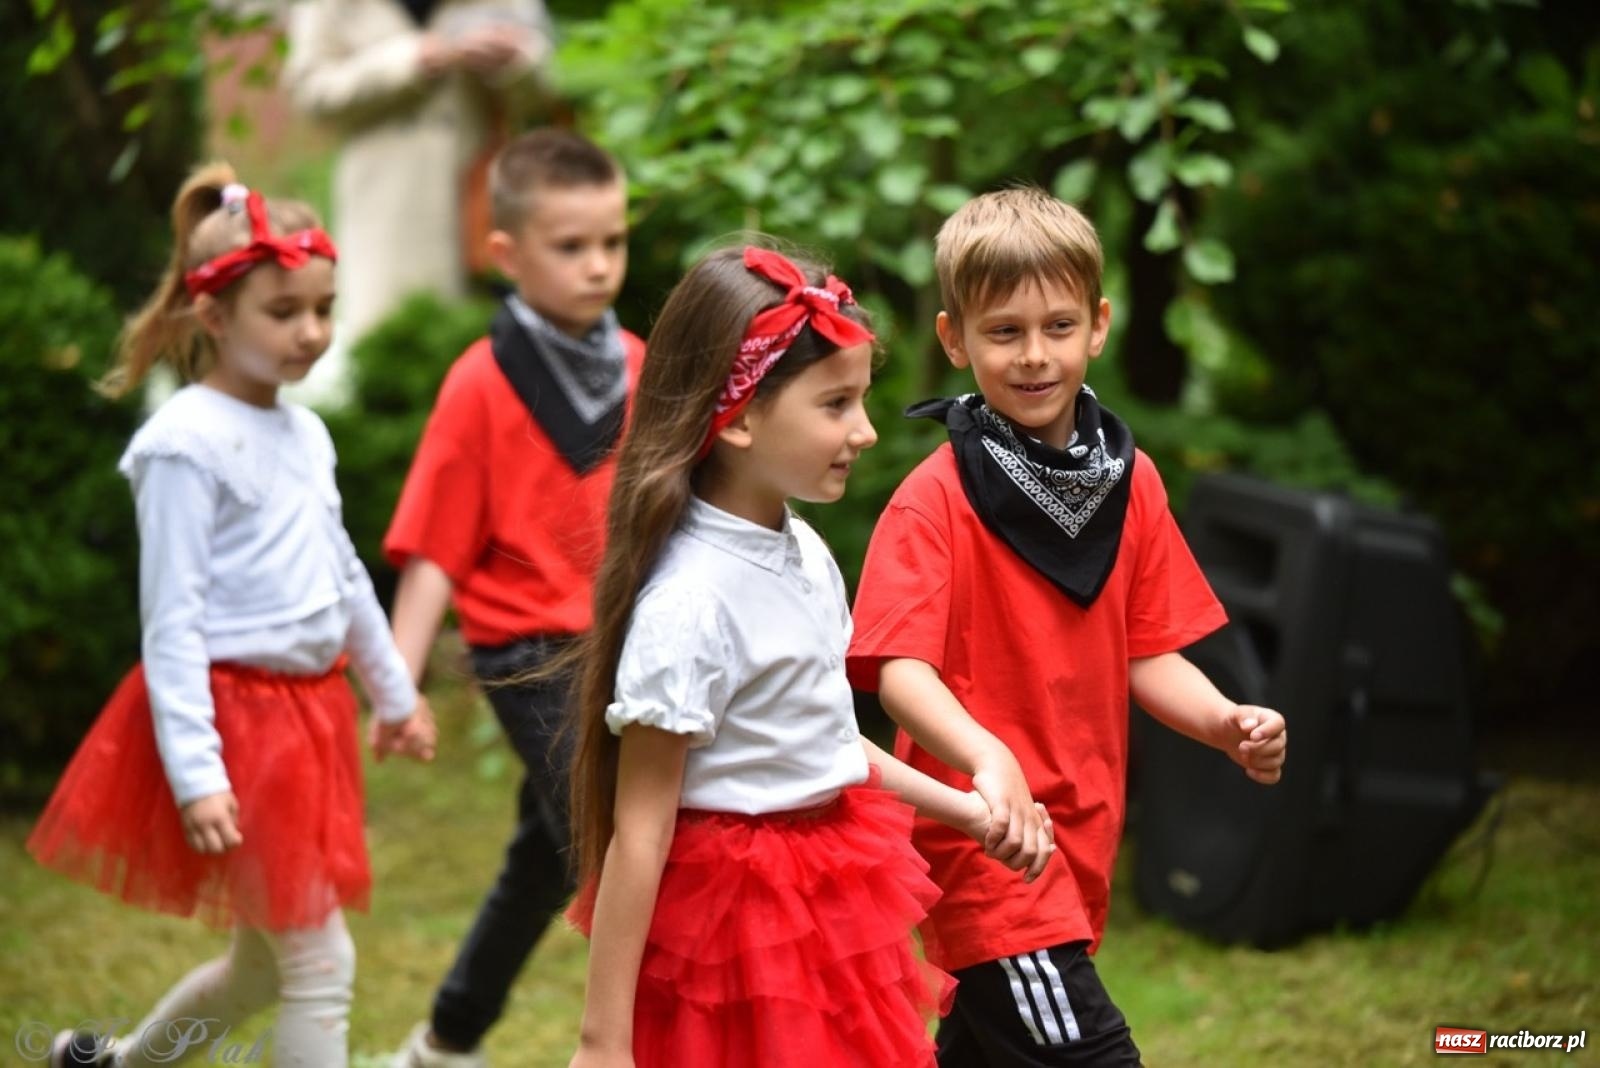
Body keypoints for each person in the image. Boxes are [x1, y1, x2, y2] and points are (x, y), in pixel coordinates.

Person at [563, 244, 1056, 1068]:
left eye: (860, 400)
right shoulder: (690, 602)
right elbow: (639, 833)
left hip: (828, 901)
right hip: (738, 928)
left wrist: (968, 809)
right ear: (743, 415)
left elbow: (822, 741)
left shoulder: (805, 551)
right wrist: (602, 1043)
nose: (865, 430)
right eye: (836, 404)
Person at [844, 187, 1289, 1067]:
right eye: (1004, 332)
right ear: (954, 339)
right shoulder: (934, 499)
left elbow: (1149, 649)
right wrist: (987, 758)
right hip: (991, 851)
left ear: (1099, 325)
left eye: (1057, 326)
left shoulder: (1132, 480)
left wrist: (1222, 721)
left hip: (1080, 842)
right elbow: (898, 668)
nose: (1034, 355)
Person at [26, 163, 437, 1068]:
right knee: (319, 962)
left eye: (324, 309)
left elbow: (343, 578)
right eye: (283, 313)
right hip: (237, 730)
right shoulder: (183, 446)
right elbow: (170, 621)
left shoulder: (306, 434)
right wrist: (196, 772)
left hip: (306, 722)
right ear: (213, 318)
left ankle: (112, 1066)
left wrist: (394, 693)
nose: (313, 333)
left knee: (261, 967)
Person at [382, 128, 643, 1068]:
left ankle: (444, 1043)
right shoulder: (480, 384)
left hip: (626, 649)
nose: (599, 266)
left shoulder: (646, 368)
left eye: (613, 243)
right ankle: (637, 1041)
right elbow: (432, 551)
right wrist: (397, 680)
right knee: (620, 846)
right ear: (507, 254)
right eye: (572, 247)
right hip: (530, 656)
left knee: (546, 853)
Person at [281, 0, 553, 351]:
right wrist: (408, 61)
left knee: (488, 354)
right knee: (389, 348)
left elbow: (543, 92)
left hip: (479, 206)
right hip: (385, 205)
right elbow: (309, 94)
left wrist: (514, 62)